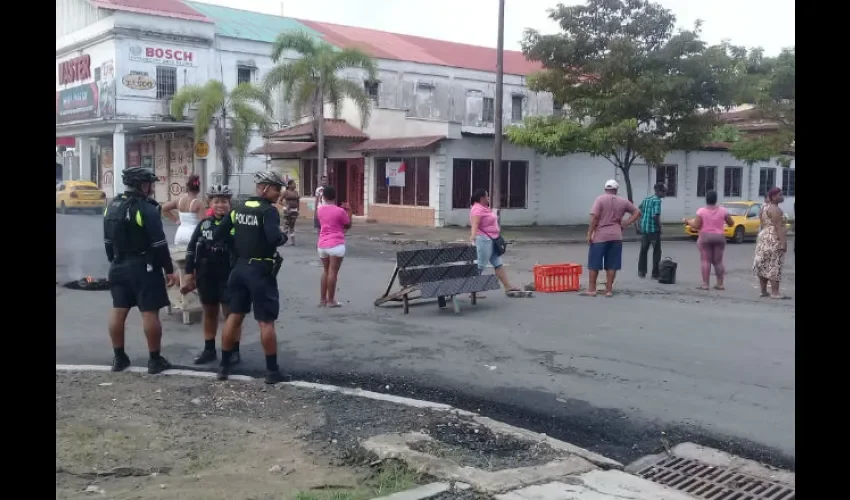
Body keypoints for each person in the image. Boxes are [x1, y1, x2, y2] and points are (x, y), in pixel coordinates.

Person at [213, 171, 289, 383]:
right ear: (264, 188)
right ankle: (272, 372)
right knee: (266, 321)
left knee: (234, 316)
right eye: (276, 188)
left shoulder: (238, 209)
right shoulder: (268, 212)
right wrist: (283, 236)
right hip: (261, 271)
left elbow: (219, 235)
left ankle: (224, 367)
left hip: (238, 269)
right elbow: (274, 238)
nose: (279, 193)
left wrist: (236, 245)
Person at [102, 167, 177, 374]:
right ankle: (154, 360)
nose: (152, 188)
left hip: (118, 265)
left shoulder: (112, 205)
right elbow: (159, 243)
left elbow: (107, 240)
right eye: (150, 184)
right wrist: (169, 270)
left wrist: (114, 261)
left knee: (119, 310)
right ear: (142, 185)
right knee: (150, 313)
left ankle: (119, 358)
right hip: (144, 266)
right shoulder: (146, 208)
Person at [183, 184, 241, 365]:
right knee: (209, 312)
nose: (220, 205)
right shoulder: (203, 224)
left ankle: (233, 350)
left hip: (229, 274)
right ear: (210, 203)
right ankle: (209, 349)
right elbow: (191, 249)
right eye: (216, 201)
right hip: (206, 274)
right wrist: (188, 273)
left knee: (230, 313)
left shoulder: (236, 223)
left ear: (229, 204)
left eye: (224, 201)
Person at [584, 180, 641, 297]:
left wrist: (590, 233)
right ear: (616, 190)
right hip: (616, 236)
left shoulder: (600, 199)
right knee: (612, 264)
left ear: (605, 189)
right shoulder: (623, 201)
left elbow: (594, 217)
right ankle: (609, 290)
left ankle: (591, 289)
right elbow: (637, 212)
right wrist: (626, 222)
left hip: (600, 236)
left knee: (594, 263)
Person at [468, 189, 528, 297]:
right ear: (482, 198)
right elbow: (475, 224)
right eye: (487, 196)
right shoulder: (477, 209)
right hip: (484, 240)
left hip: (493, 240)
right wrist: (473, 237)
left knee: (498, 264)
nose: (488, 198)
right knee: (480, 265)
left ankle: (508, 287)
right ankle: (473, 292)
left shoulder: (484, 208)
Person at [685, 190, 734, 290]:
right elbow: (731, 223)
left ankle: (705, 284)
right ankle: (720, 284)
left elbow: (697, 225)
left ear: (706, 199)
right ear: (716, 200)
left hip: (705, 237)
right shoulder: (723, 211)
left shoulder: (701, 211)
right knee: (718, 262)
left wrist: (688, 221)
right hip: (719, 237)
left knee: (705, 260)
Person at [316, 186, 351, 307]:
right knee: (333, 272)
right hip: (336, 244)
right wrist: (349, 211)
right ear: (335, 197)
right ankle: (331, 301)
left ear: (323, 197)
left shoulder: (320, 210)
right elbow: (347, 225)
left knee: (325, 271)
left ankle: (322, 300)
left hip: (322, 244)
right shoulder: (340, 211)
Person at [753, 187, 789, 299]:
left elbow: (761, 221)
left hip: (763, 236)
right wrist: (783, 242)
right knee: (775, 264)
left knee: (762, 263)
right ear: (773, 197)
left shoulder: (763, 207)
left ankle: (763, 291)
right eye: (780, 195)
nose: (782, 196)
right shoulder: (776, 209)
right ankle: (775, 292)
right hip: (774, 238)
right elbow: (779, 227)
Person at [162, 175, 206, 246]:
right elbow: (203, 223)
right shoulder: (199, 203)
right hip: (193, 235)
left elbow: (164, 208)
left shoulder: (179, 200)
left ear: (187, 187)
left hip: (180, 234)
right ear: (198, 189)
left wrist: (176, 220)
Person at [637, 183, 666, 279]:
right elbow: (655, 215)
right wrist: (660, 227)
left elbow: (639, 209)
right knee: (657, 251)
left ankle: (641, 272)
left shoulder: (647, 198)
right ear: (659, 191)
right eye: (664, 191)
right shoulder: (657, 200)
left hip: (645, 228)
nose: (665, 193)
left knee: (643, 250)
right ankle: (655, 274)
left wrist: (642, 220)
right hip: (653, 230)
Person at [280, 180, 301, 245]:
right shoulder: (285, 192)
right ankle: (283, 240)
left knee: (292, 225)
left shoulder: (296, 192)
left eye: (295, 184)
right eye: (293, 184)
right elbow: (280, 201)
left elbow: (298, 201)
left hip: (294, 210)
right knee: (286, 225)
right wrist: (286, 205)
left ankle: (292, 241)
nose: (295, 185)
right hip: (287, 210)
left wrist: (298, 209)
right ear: (289, 185)